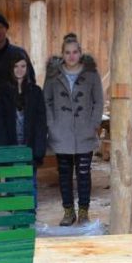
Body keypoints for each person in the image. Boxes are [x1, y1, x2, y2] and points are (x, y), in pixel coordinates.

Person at [44, 34, 103, 226]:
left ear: (80, 53)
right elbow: (47, 101)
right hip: (61, 133)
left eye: (75, 52)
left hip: (84, 132)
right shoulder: (53, 74)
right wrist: (52, 125)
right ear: (62, 54)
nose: (71, 56)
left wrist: (93, 123)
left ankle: (84, 212)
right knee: (64, 174)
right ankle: (68, 211)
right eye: (67, 52)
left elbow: (98, 101)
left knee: (84, 173)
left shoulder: (91, 74)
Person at [0, 51, 47, 207]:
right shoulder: (2, 93)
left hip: (29, 147)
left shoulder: (35, 91)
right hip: (11, 146)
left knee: (30, 184)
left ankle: (30, 218)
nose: (19, 70)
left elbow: (41, 123)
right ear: (10, 68)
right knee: (12, 183)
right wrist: (4, 150)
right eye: (16, 66)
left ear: (28, 68)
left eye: (23, 66)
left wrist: (38, 150)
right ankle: (14, 218)